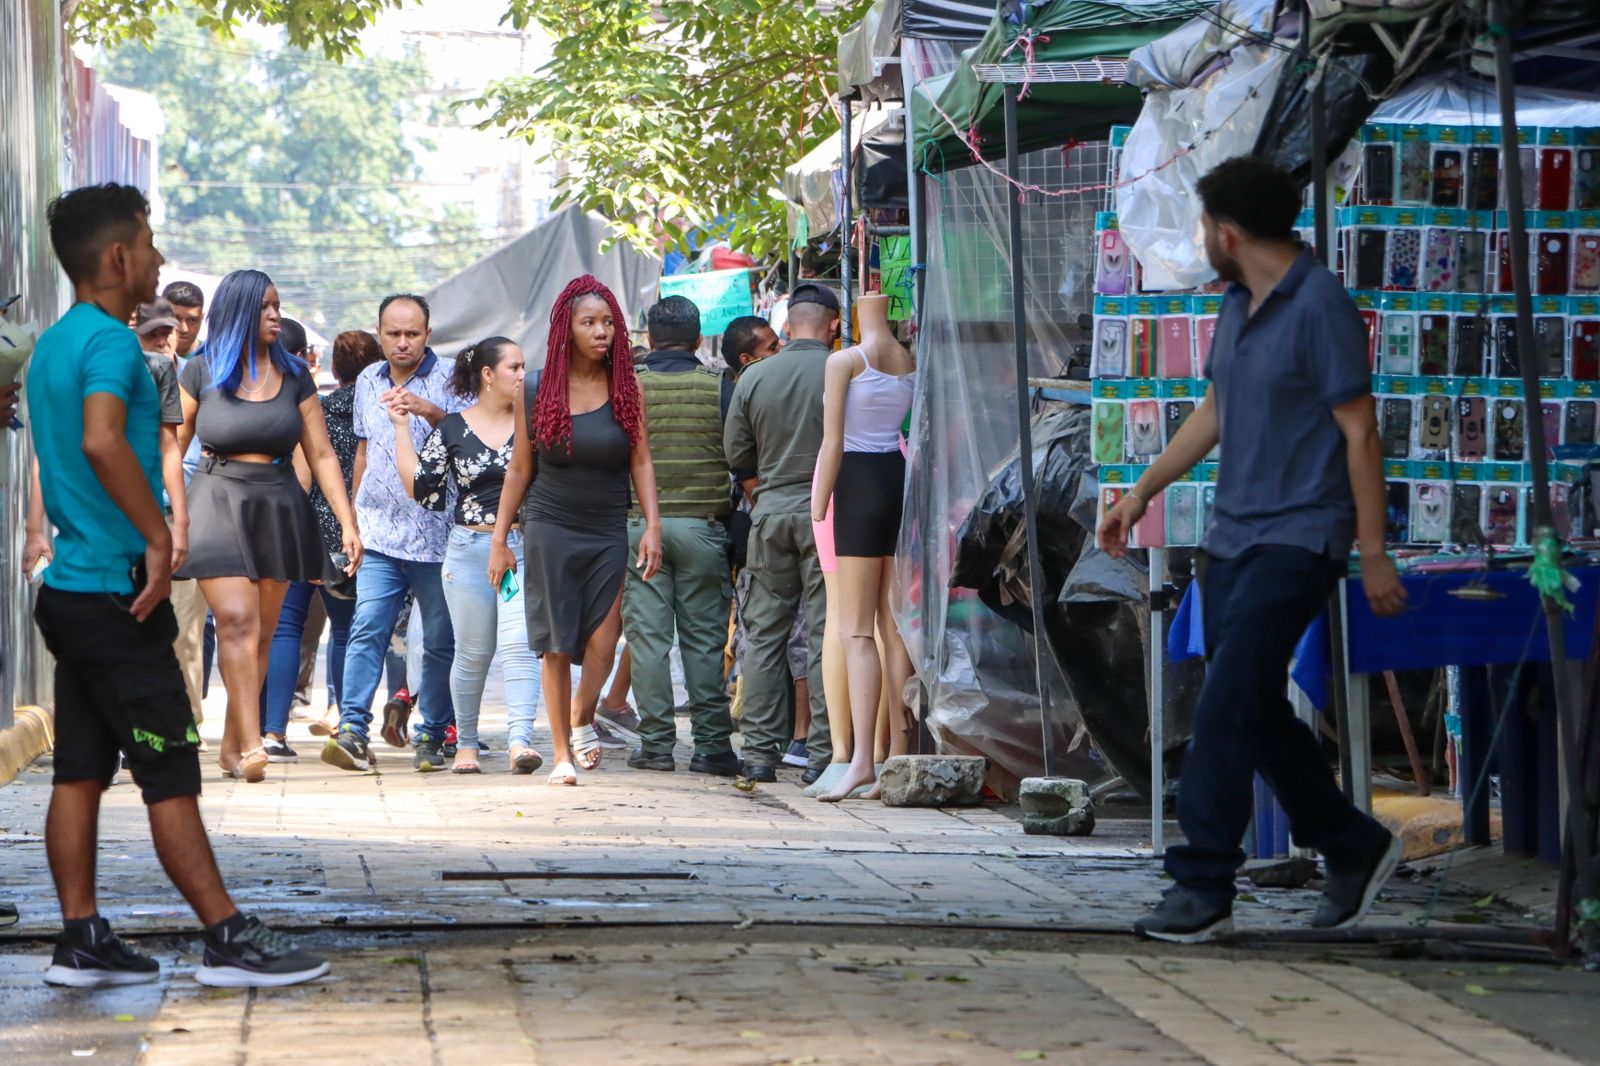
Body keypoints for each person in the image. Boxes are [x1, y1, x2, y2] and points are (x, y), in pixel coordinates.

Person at [1097, 156, 1406, 943]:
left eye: (1203, 226)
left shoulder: (1321, 304)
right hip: (1233, 535)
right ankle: (1352, 843)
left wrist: (1372, 553)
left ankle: (1202, 883)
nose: (1201, 240)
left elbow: (1360, 432)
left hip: (1301, 537)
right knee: (1256, 706)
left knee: (1227, 700)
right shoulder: (1238, 304)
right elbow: (1215, 410)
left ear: (1226, 232)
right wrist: (1142, 491)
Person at [27, 182, 327, 987]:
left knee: (80, 769)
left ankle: (82, 938)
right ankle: (228, 937)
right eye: (150, 241)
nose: (159, 258)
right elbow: (100, 439)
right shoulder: (116, 346)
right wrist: (160, 537)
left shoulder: (55, 343)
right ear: (118, 256)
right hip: (117, 593)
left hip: (73, 588)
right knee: (169, 771)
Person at [176, 270, 362, 783]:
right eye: (265, 308)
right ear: (238, 312)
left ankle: (234, 746)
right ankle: (254, 742)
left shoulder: (296, 376)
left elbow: (321, 452)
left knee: (259, 633)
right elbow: (170, 444)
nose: (277, 316)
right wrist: (165, 511)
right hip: (215, 498)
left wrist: (347, 521)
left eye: (278, 306)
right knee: (235, 621)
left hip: (279, 505)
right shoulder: (202, 371)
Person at [490, 275, 663, 785]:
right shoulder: (536, 388)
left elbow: (642, 460)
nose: (602, 331)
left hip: (608, 524)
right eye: (589, 322)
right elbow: (520, 467)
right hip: (549, 523)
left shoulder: (626, 388)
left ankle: (583, 716)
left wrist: (652, 525)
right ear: (567, 327)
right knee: (557, 643)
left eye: (608, 321)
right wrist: (500, 538)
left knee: (605, 642)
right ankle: (562, 752)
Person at [322, 294, 467, 773]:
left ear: (428, 333)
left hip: (438, 534)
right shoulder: (367, 379)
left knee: (440, 639)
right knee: (368, 628)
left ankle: (432, 732)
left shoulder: (453, 377)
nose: (402, 343)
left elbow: (474, 437)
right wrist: (353, 522)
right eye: (393, 334)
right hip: (380, 531)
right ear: (379, 333)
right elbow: (364, 452)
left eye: (412, 333)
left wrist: (428, 409)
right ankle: (353, 730)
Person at [387, 336, 544, 774]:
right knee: (473, 653)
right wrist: (401, 428)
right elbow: (422, 488)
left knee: (519, 646)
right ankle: (468, 745)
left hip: (521, 548)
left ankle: (520, 742)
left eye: (523, 366)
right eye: (514, 367)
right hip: (468, 551)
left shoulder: (534, 423)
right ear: (488, 376)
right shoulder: (452, 428)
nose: (522, 375)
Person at [723, 282, 839, 784]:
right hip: (831, 515)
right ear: (834, 324)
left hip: (769, 514)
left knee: (765, 635)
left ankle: (758, 755)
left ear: (789, 326)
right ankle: (823, 755)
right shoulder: (847, 369)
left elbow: (736, 453)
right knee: (826, 631)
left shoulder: (754, 377)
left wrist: (761, 495)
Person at [622, 296, 741, 777]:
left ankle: (655, 747)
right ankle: (712, 747)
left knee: (648, 640)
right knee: (704, 640)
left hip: (640, 529)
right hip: (703, 528)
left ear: (649, 339)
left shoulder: (629, 387)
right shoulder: (721, 387)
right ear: (697, 340)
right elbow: (740, 455)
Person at [810, 292, 916, 802]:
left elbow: (832, 442)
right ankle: (896, 754)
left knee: (855, 631)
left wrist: (817, 504)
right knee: (892, 628)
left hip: (854, 483)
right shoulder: (909, 358)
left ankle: (861, 762)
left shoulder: (845, 360)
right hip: (897, 479)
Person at [261, 330, 381, 758]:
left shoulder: (318, 411)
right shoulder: (381, 414)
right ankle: (344, 723)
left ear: (334, 369)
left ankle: (273, 732)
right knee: (348, 632)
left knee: (286, 628)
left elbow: (304, 476)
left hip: (306, 535)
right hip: (354, 536)